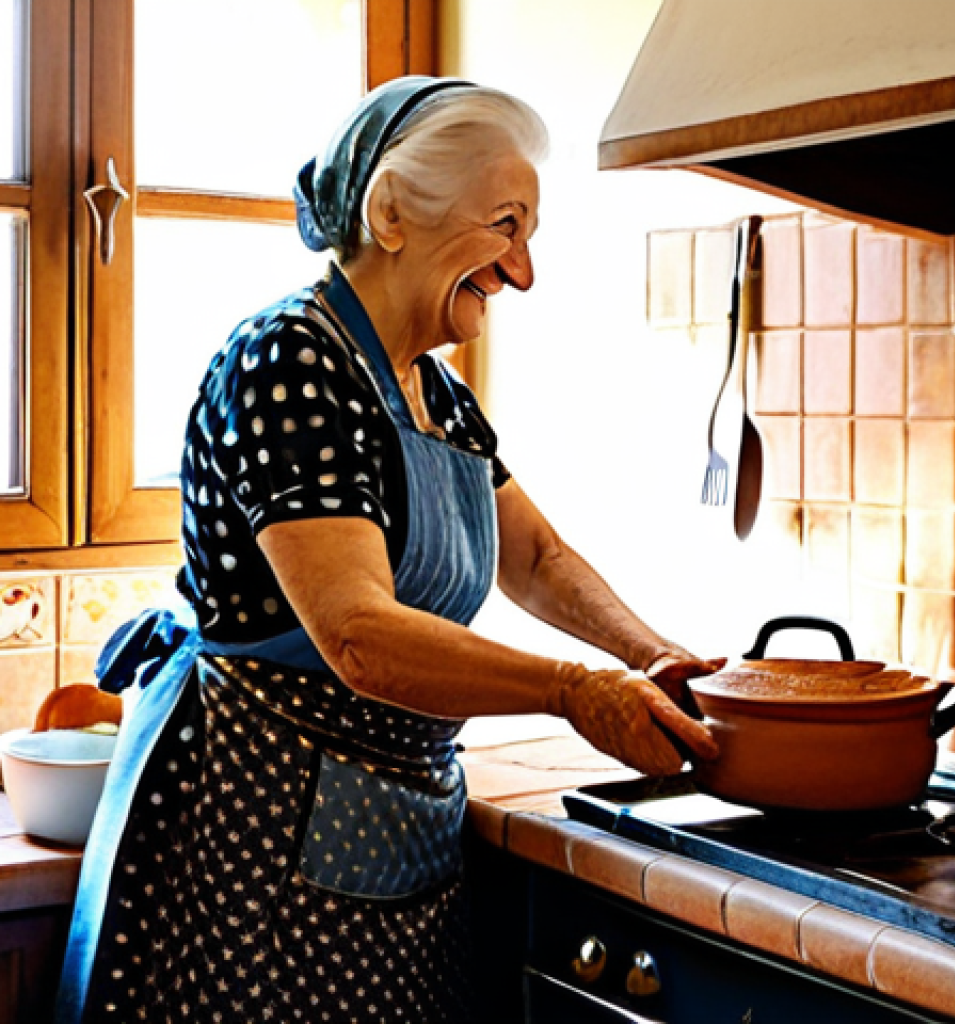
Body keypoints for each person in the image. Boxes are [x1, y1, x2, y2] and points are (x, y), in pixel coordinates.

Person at [52, 76, 723, 1024]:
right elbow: (358, 633)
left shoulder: (433, 392)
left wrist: (646, 654)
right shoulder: (288, 361)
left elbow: (536, 557)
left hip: (388, 834)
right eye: (505, 227)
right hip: (260, 845)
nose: (522, 271)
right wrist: (574, 690)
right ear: (393, 213)